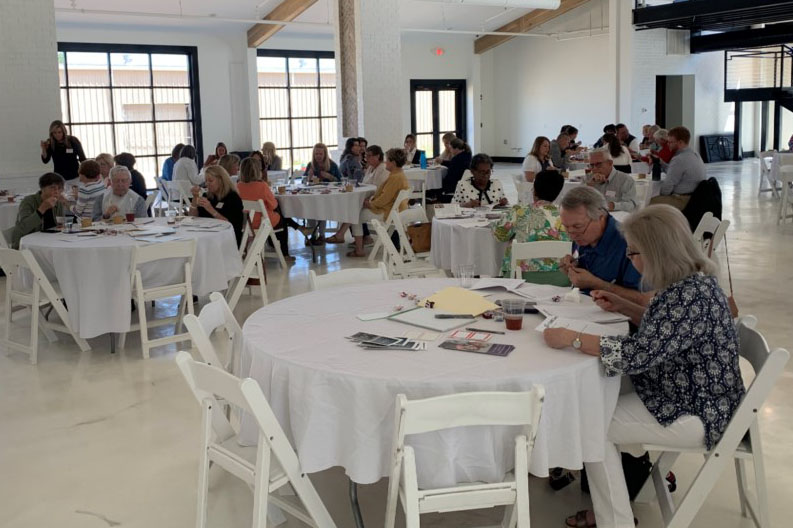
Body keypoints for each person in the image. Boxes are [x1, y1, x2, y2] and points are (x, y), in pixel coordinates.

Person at [543, 205, 744, 528]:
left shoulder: (687, 297)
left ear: (657, 253)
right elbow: (664, 335)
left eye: (634, 252)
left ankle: (615, 521)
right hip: (689, 392)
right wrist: (621, 305)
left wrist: (573, 338)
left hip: (698, 410)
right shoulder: (691, 284)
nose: (631, 259)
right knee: (596, 397)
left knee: (591, 424)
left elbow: (635, 355)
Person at [558, 187, 643, 302]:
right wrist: (573, 269)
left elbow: (645, 300)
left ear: (601, 217)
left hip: (617, 316)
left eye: (577, 227)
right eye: (566, 227)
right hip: (581, 308)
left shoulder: (631, 244)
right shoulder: (580, 236)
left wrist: (597, 284)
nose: (571, 236)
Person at [492, 170, 570, 285]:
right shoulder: (566, 215)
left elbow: (499, 235)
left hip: (520, 278)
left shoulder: (519, 211)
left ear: (534, 190)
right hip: (560, 278)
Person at [236, 157, 304, 262]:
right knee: (281, 215)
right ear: (257, 171)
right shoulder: (262, 186)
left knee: (279, 214)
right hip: (263, 222)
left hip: (246, 223)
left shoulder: (238, 186)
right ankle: (285, 253)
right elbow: (273, 205)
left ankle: (298, 227)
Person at [348, 148, 410, 257]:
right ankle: (361, 245)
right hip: (395, 210)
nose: (385, 162)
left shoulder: (395, 178)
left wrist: (370, 204)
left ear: (393, 163)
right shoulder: (399, 174)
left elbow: (384, 199)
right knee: (356, 213)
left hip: (388, 212)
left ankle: (359, 249)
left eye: (387, 160)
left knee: (355, 215)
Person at [326, 144, 388, 244]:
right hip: (367, 198)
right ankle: (350, 236)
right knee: (352, 206)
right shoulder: (370, 168)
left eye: (369, 156)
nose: (366, 158)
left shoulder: (383, 169)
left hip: (376, 202)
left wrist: (369, 200)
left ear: (377, 156)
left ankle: (344, 235)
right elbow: (364, 183)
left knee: (354, 209)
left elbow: (379, 189)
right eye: (366, 156)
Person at [650, 126, 706, 210]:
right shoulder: (694, 153)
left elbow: (666, 190)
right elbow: (674, 171)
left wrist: (654, 192)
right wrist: (661, 162)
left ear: (680, 142)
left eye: (670, 142)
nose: (668, 144)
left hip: (683, 199)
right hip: (696, 197)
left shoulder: (679, 159)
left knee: (647, 202)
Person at [189, 165, 244, 247]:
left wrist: (210, 209)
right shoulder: (207, 195)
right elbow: (193, 217)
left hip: (227, 239)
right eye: (206, 181)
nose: (207, 184)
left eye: (210, 181)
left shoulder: (232, 197)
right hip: (207, 235)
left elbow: (230, 225)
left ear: (221, 180)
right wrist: (195, 198)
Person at [11, 172, 68, 248]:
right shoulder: (29, 201)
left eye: (59, 188)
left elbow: (60, 226)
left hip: (50, 242)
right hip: (28, 245)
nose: (57, 191)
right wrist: (42, 209)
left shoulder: (58, 203)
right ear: (42, 188)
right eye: (52, 187)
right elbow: (23, 228)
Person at [439, 138, 473, 202]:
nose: (450, 150)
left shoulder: (456, 159)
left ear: (456, 149)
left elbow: (451, 176)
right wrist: (442, 162)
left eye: (451, 148)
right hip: (465, 183)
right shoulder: (468, 156)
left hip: (454, 185)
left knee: (436, 186)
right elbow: (453, 164)